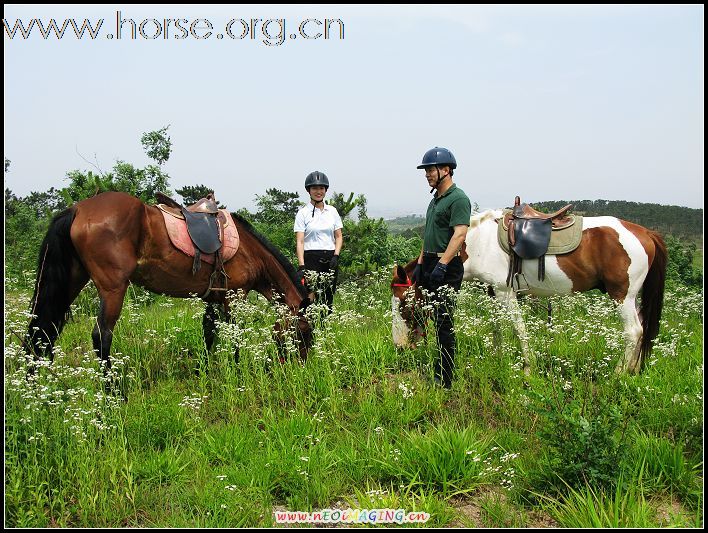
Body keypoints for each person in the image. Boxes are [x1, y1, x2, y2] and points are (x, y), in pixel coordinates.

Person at [411, 147, 471, 388]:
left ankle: (446, 378)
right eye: (426, 171)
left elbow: (459, 234)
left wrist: (442, 265)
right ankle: (435, 363)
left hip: (447, 266)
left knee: (444, 321)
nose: (427, 174)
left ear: (446, 170)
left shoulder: (458, 199)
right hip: (430, 262)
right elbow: (429, 234)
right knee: (431, 316)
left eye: (430, 170)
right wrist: (420, 263)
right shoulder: (434, 199)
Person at [294, 171, 343, 316]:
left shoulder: (332, 211)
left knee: (328, 297)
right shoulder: (303, 213)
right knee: (310, 297)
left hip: (330, 258)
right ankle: (307, 328)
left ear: (325, 190)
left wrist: (336, 255)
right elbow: (300, 240)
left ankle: (325, 329)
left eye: (321, 188)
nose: (318, 192)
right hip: (311, 258)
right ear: (309, 190)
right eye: (314, 188)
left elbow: (339, 236)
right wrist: (302, 265)